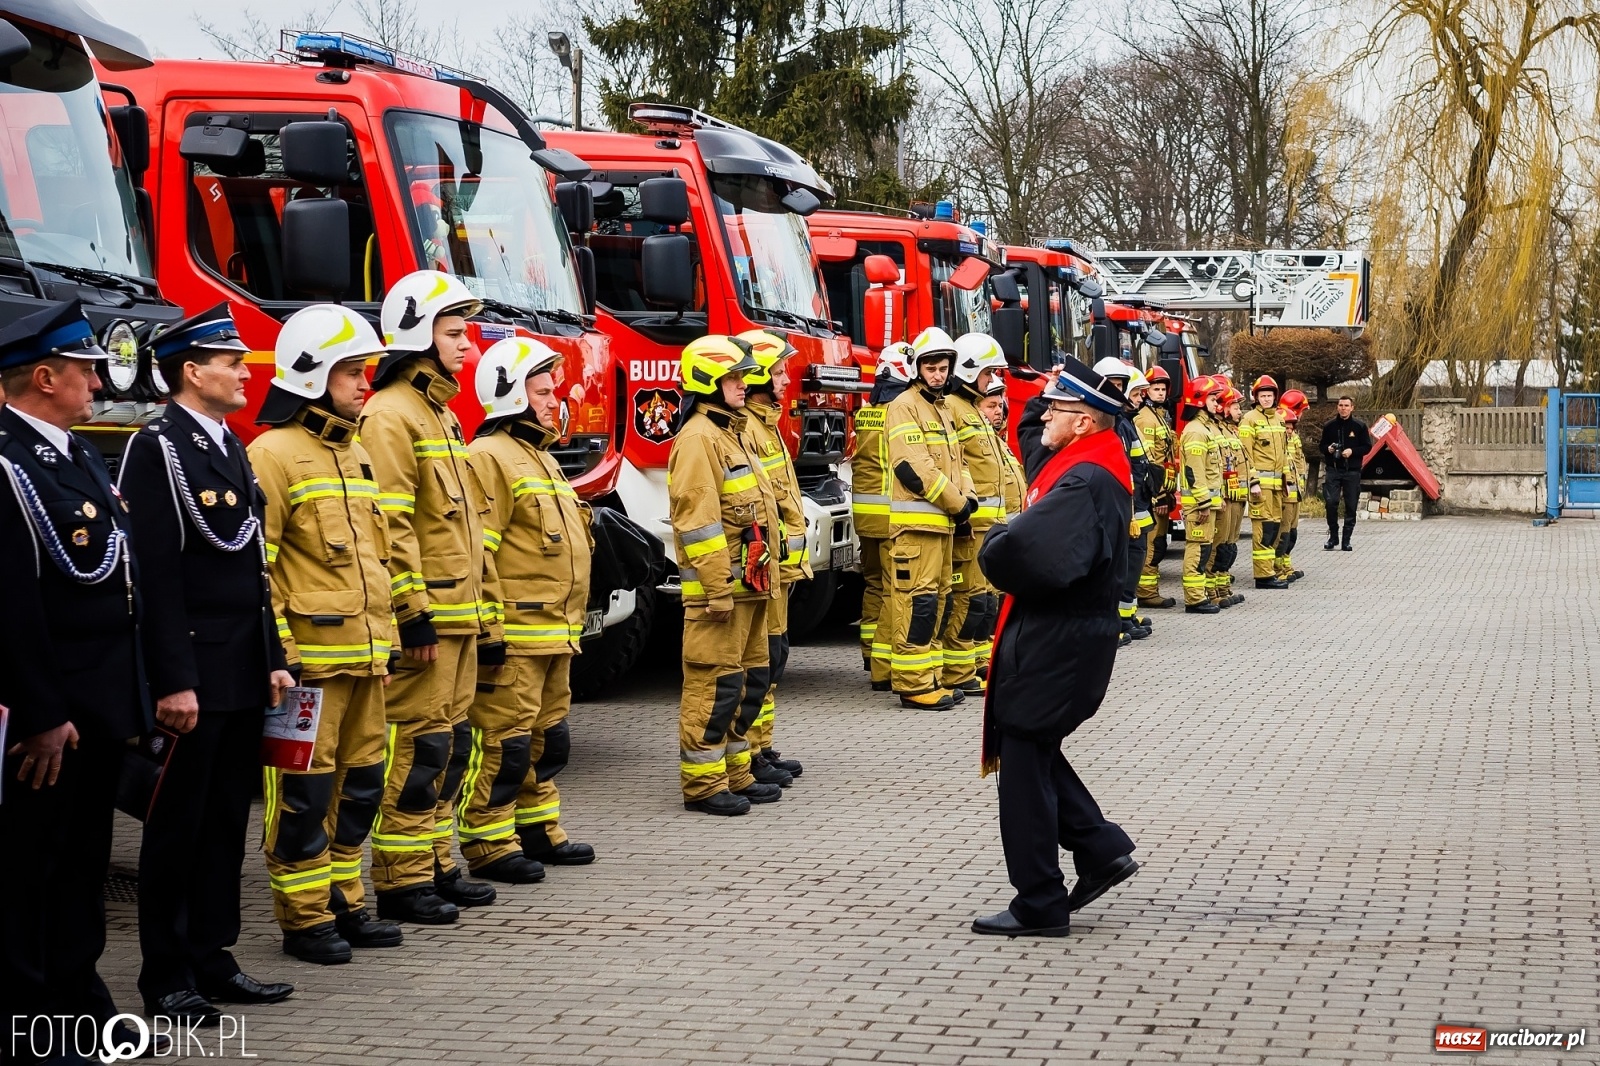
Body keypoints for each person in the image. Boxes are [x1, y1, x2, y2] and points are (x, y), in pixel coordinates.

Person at [120, 304, 296, 1022]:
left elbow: (252, 566)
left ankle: (213, 956)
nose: (244, 373)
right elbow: (154, 576)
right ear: (192, 372)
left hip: (241, 669)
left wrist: (272, 656)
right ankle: (167, 976)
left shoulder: (228, 443)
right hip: (194, 674)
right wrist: (173, 680)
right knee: (177, 829)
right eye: (230, 362)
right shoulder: (158, 448)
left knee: (225, 824)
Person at [0, 300, 161, 1058]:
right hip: (52, 715)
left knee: (84, 865)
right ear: (44, 377)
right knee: (33, 871)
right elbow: (13, 603)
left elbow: (118, 585)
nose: (97, 384)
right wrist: (40, 713)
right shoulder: (7, 464)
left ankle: (80, 1001)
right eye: (85, 371)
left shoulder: (79, 456)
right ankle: (32, 1017)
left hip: (98, 708)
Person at [249, 304, 405, 964]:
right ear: (311, 375)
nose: (364, 384)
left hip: (365, 662)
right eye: (351, 372)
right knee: (304, 799)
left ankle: (347, 903)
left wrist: (387, 644)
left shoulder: (356, 451)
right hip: (309, 671)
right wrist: (282, 655)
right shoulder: (272, 455)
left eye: (364, 371)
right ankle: (305, 919)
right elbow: (258, 571)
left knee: (361, 789)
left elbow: (378, 560)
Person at [971, 360, 1138, 938]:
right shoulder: (1084, 459)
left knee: (1023, 765)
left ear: (1085, 422)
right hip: (1065, 637)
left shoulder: (1084, 478)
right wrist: (1039, 385)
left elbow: (1027, 554)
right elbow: (1030, 434)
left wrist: (998, 537)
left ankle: (1040, 900)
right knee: (1031, 751)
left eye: (1057, 409)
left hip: (1058, 641)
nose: (1044, 414)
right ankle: (1100, 849)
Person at [362, 270, 499, 919]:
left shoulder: (439, 413)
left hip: (460, 617)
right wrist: (410, 615)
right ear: (418, 336)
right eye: (454, 334)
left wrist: (486, 618)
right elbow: (390, 527)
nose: (468, 345)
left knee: (450, 747)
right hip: (430, 622)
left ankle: (437, 863)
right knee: (419, 749)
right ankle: (401, 879)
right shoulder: (390, 415)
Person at [464, 338, 597, 874]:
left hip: (555, 632)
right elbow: (480, 553)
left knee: (548, 742)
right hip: (516, 634)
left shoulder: (540, 456)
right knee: (506, 745)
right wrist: (490, 630)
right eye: (541, 392)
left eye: (551, 391)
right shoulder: (488, 456)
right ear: (510, 395)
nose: (553, 401)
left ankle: (539, 830)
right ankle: (489, 844)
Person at [668, 335, 783, 815]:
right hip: (722, 596)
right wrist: (717, 590)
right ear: (708, 382)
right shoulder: (699, 438)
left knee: (744, 686)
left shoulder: (729, 431)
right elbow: (699, 524)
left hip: (749, 590)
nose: (744, 384)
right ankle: (703, 786)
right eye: (733, 376)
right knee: (713, 689)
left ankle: (736, 774)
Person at [884, 327, 976, 711]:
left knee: (938, 602)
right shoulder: (903, 406)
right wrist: (958, 504)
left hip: (941, 527)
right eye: (930, 368)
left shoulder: (943, 407)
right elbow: (913, 468)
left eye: (942, 368)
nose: (938, 375)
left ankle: (931, 678)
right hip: (917, 529)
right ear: (916, 368)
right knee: (916, 606)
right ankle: (913, 685)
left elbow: (959, 461)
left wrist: (968, 496)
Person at [738, 329, 809, 783]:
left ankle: (761, 745)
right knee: (758, 663)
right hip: (763, 570)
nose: (786, 380)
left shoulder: (766, 424)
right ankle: (748, 752)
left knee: (772, 660)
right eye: (779, 372)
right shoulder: (748, 427)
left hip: (777, 570)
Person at [940, 332, 1010, 695]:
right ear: (968, 371)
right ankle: (957, 671)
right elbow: (955, 466)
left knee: (983, 601)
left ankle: (974, 663)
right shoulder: (953, 408)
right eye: (987, 373)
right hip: (972, 524)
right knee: (967, 599)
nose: (991, 380)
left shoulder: (970, 410)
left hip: (990, 525)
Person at [852, 343, 913, 691]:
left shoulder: (866, 413)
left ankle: (868, 650)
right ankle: (883, 664)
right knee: (894, 589)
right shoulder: (899, 413)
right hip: (891, 515)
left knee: (874, 584)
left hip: (865, 518)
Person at [1091, 357, 1153, 645]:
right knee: (1111, 567)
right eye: (1113, 385)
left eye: (1120, 385)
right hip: (1115, 507)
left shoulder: (1122, 423)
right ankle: (1113, 621)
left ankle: (1124, 617)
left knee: (1130, 563)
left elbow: (1137, 465)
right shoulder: (1103, 421)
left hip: (1132, 505)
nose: (1119, 391)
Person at [1178, 376, 1227, 614]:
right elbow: (1194, 471)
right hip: (1198, 506)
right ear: (1199, 400)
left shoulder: (1204, 428)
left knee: (1204, 549)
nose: (1217, 403)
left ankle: (1199, 595)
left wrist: (1217, 499)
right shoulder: (1196, 432)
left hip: (1205, 504)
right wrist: (1204, 502)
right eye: (1213, 399)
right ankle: (1194, 599)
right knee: (1197, 550)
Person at [1237, 374, 1289, 590]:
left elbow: (1284, 454)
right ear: (1256, 397)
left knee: (1274, 528)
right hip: (1261, 487)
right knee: (1263, 529)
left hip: (1277, 486)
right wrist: (1253, 482)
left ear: (1275, 397)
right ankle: (1263, 576)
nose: (1266, 399)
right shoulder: (1249, 419)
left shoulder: (1279, 419)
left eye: (1269, 395)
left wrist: (1286, 481)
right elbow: (1245, 453)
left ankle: (1269, 572)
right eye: (1262, 395)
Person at [1134, 365, 1178, 610]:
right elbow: (1150, 462)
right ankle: (1147, 593)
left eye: (1162, 389)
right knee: (1151, 545)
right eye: (1155, 389)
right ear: (1146, 391)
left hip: (1164, 490)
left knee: (1159, 544)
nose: (1160, 393)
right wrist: (1159, 494)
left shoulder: (1161, 415)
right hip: (1154, 494)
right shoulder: (1145, 418)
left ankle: (1150, 590)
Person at [1208, 385, 1248, 608]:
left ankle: (1222, 587)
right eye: (1235, 406)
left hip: (1235, 495)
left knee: (1228, 546)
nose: (1239, 411)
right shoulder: (1214, 431)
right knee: (1218, 545)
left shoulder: (1229, 431)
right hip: (1224, 496)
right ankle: (1211, 590)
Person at [1320, 396, 1370, 550]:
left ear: (1352, 407)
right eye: (1341, 405)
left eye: (1346, 405)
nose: (1343, 408)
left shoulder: (1360, 426)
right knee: (1331, 503)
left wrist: (1352, 451)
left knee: (1351, 505)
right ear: (1337, 407)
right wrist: (1328, 449)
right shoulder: (1329, 426)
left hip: (1352, 471)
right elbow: (1321, 446)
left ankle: (1346, 540)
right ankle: (1333, 537)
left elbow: (1367, 447)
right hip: (1333, 470)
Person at [1276, 390, 1311, 582]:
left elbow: (1297, 463)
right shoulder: (1281, 433)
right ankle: (1278, 566)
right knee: (1283, 532)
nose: (1302, 415)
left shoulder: (1292, 434)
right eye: (1301, 410)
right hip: (1286, 491)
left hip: (1295, 491)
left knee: (1292, 532)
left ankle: (1285, 563)